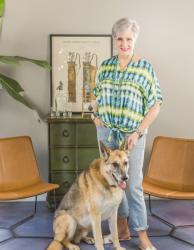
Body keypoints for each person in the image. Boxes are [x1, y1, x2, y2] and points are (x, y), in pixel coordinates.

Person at [91, 18, 163, 250]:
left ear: (135, 40)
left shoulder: (145, 68)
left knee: (132, 186)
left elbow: (155, 105)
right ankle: (121, 230)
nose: (124, 44)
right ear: (114, 39)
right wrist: (95, 117)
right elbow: (94, 96)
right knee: (113, 184)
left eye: (128, 39)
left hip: (132, 136)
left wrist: (138, 132)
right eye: (119, 39)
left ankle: (142, 235)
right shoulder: (105, 66)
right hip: (108, 135)